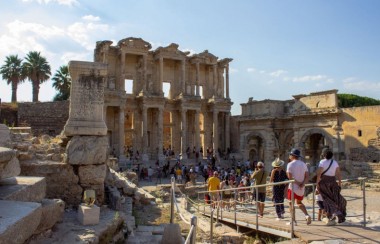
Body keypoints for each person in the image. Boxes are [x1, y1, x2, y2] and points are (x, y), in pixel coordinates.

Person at [317, 148, 347, 225]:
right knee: (335, 199)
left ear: (324, 155)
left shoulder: (322, 162)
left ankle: (337, 212)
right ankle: (332, 216)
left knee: (326, 199)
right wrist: (340, 183)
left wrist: (317, 184)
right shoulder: (335, 162)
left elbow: (319, 174)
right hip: (333, 182)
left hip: (324, 182)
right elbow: (339, 174)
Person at [286, 148, 312, 226]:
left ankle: (293, 221)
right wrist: (302, 183)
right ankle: (307, 215)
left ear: (293, 156)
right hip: (301, 188)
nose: (289, 156)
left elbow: (290, 177)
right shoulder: (303, 164)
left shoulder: (290, 164)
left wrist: (297, 183)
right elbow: (307, 176)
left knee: (291, 203)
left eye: (290, 154)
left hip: (293, 187)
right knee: (299, 202)